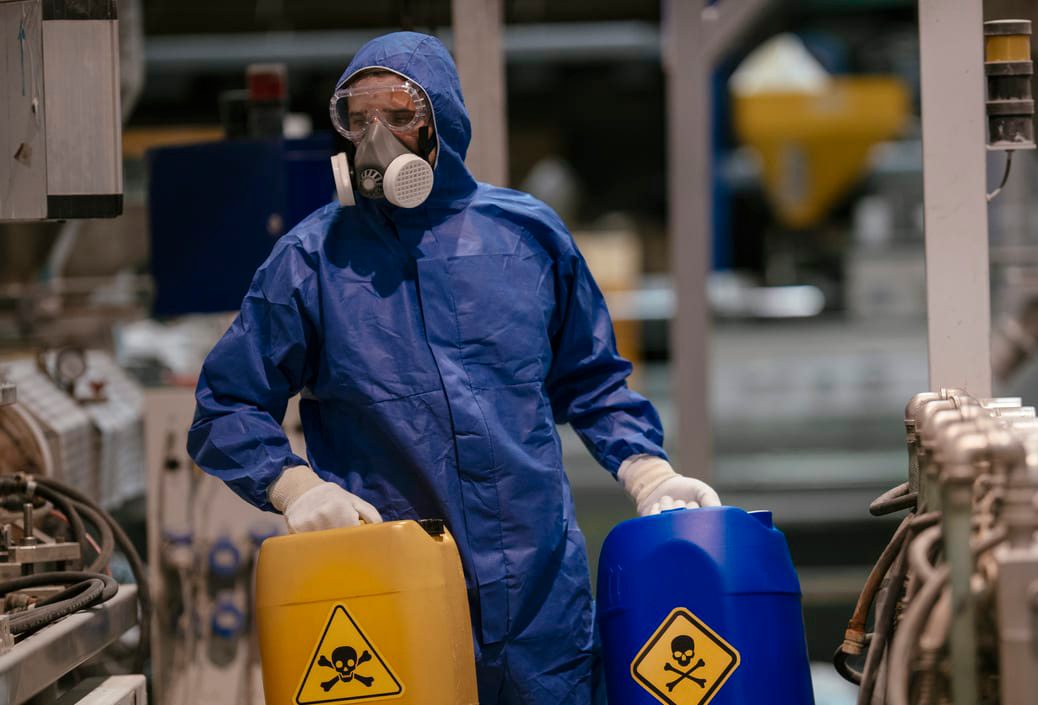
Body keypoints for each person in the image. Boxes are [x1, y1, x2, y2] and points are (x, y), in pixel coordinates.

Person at [187, 31, 720, 704]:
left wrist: (648, 470)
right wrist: (294, 485)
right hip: (390, 594)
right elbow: (225, 404)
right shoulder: (313, 259)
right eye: (359, 117)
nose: (377, 135)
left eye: (399, 114)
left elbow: (592, 381)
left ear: (441, 120)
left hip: (539, 606)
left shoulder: (527, 237)